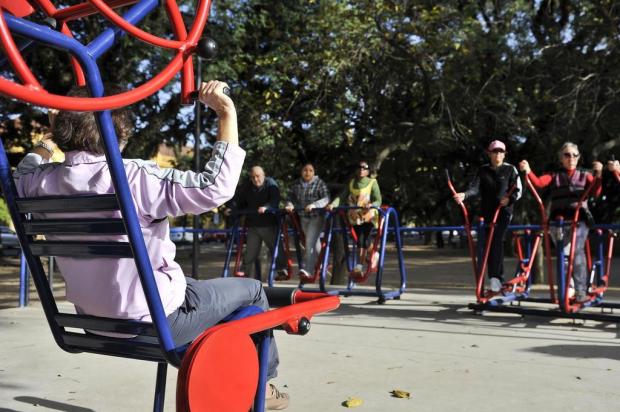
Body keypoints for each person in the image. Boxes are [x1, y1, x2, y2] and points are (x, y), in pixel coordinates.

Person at [14, 81, 289, 410]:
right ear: (119, 135)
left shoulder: (38, 183)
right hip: (158, 320)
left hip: (91, 323)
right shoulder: (134, 177)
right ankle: (265, 387)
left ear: (62, 132)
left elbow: (21, 170)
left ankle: (228, 367)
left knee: (196, 290)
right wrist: (226, 113)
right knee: (254, 291)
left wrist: (47, 140)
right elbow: (215, 187)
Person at [519, 142, 603, 303]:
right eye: (567, 155)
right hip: (558, 221)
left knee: (577, 253)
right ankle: (567, 288)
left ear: (578, 158)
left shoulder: (585, 175)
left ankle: (580, 291)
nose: (571, 157)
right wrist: (528, 171)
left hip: (579, 219)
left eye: (574, 155)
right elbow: (539, 183)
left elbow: (596, 191)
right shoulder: (555, 175)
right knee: (563, 256)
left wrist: (599, 174)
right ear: (561, 159)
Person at [453, 140, 522, 293]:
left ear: (504, 154)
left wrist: (509, 199)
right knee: (485, 245)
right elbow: (474, 188)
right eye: (495, 151)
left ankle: (496, 278)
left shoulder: (511, 170)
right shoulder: (483, 170)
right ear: (489, 153)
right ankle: (493, 279)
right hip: (487, 213)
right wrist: (464, 195)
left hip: (503, 213)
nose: (498, 154)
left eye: (501, 152)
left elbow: (518, 189)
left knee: (496, 241)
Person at [229, 165, 288, 281]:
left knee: (275, 247)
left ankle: (282, 270)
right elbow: (239, 201)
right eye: (253, 177)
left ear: (263, 175)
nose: (256, 179)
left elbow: (275, 199)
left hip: (269, 224)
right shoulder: (247, 187)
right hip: (253, 224)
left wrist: (267, 207)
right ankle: (244, 273)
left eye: (258, 176)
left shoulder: (270, 184)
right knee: (250, 250)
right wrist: (232, 209)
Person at [327, 160, 382, 280]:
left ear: (368, 171)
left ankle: (359, 267)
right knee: (362, 239)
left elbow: (378, 200)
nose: (361, 170)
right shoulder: (352, 183)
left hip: (368, 216)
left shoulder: (373, 182)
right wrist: (333, 204)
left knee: (362, 238)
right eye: (359, 168)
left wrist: (371, 204)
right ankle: (375, 254)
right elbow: (342, 197)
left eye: (364, 168)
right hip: (355, 217)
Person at [284, 162, 330, 281]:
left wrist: (315, 205)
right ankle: (323, 263)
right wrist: (289, 205)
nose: (307, 173)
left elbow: (326, 198)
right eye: (305, 170)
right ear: (301, 172)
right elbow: (289, 198)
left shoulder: (319, 183)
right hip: (303, 217)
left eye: (310, 170)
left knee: (309, 242)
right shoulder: (297, 184)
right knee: (314, 243)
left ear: (314, 172)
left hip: (316, 216)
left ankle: (308, 270)